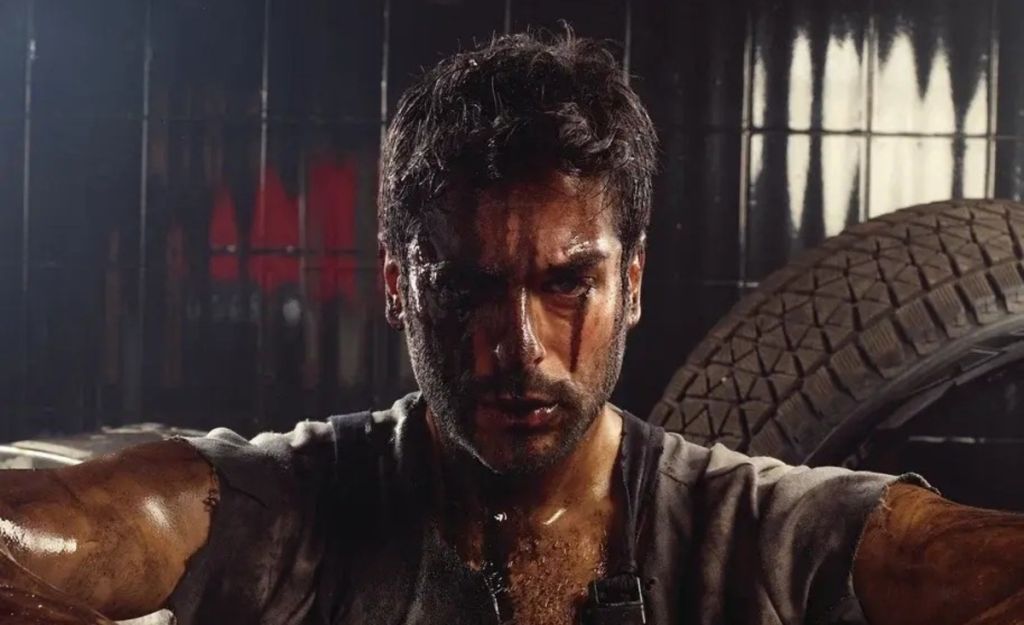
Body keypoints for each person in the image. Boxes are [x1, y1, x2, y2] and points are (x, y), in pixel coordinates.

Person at [1, 32, 1023, 625]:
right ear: (398, 285)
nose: (519, 346)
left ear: (631, 282)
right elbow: (72, 525)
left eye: (568, 285)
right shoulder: (284, 512)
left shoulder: (752, 532)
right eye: (468, 290)